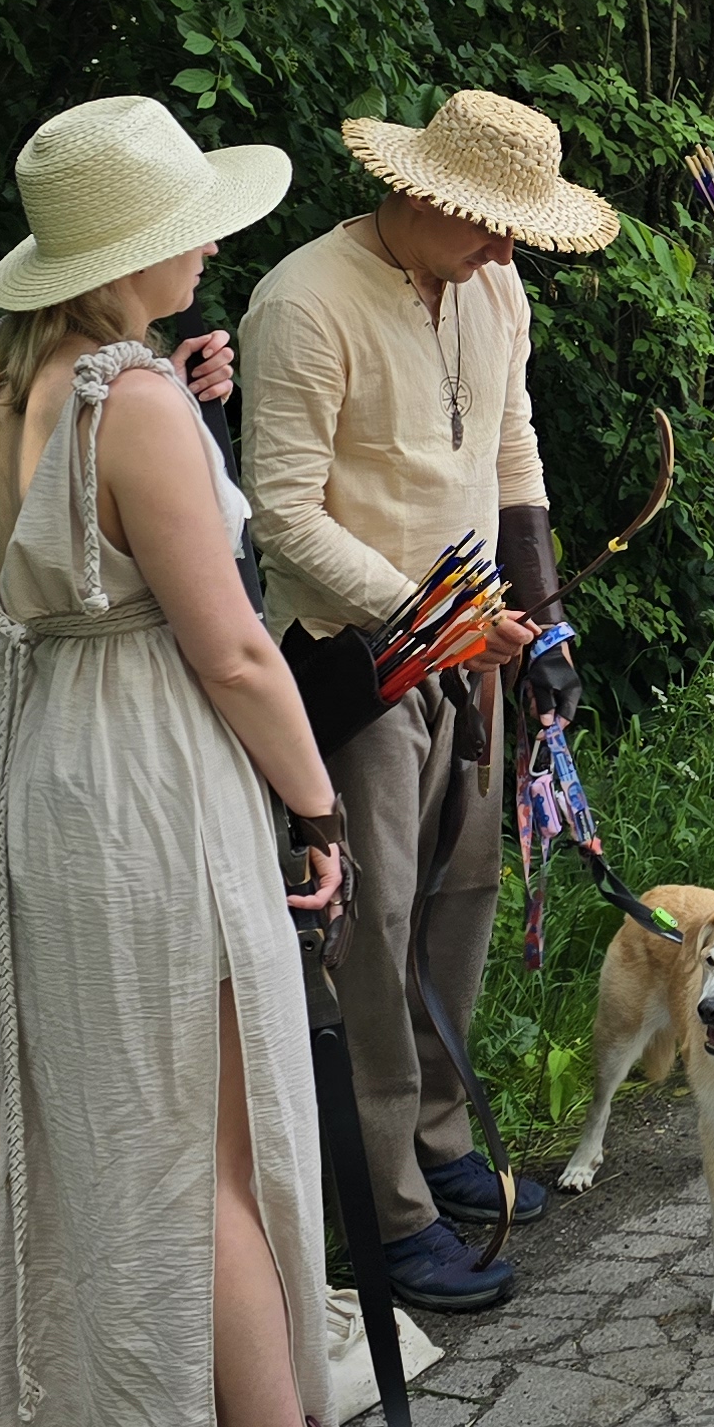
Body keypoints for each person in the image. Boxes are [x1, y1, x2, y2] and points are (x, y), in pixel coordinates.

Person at [0, 96, 443, 1427]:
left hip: (40, 763)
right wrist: (315, 801)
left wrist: (179, 404)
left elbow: (57, 547)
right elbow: (229, 650)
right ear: (125, 251)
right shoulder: (131, 401)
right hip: (147, 764)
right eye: (185, 222)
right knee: (201, 1132)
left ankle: (176, 1424)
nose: (210, 236)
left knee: (112, 1110)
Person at [242, 90, 613, 1313]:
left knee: (462, 898)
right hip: (356, 663)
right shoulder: (303, 300)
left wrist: (541, 617)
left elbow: (512, 450)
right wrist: (440, 619)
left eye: (519, 232)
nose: (508, 252)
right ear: (423, 196)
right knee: (376, 923)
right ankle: (385, 1207)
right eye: (489, 228)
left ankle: (443, 1148)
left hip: (476, 650)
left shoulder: (493, 290)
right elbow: (285, 515)